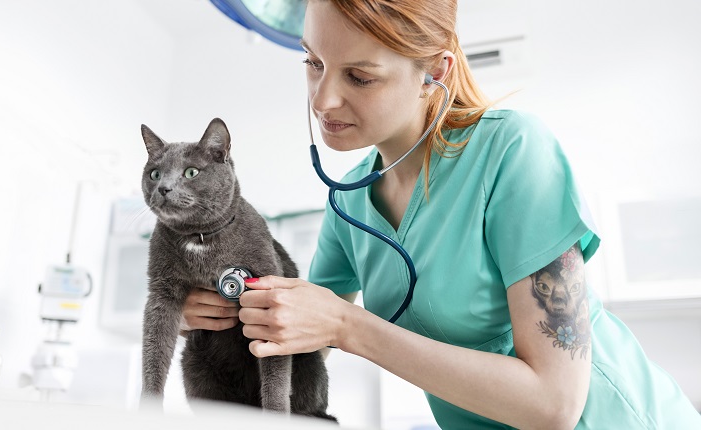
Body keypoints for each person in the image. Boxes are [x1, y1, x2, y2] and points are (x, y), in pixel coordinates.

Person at [180, 0, 701, 428]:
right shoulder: (349, 204)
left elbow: (554, 405)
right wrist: (211, 322)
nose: (323, 99)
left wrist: (348, 326)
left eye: (359, 76)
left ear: (434, 72)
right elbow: (295, 347)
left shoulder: (513, 151)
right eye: (313, 63)